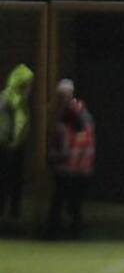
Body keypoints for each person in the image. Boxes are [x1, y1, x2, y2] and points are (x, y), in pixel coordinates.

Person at [46, 80, 95, 240]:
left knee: (62, 201)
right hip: (78, 166)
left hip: (69, 166)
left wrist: (57, 156)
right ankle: (72, 232)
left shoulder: (69, 114)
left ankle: (56, 232)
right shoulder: (81, 113)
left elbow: (70, 140)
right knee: (71, 202)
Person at [0, 63, 34, 221]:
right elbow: (18, 124)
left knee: (6, 179)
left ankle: (6, 210)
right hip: (10, 145)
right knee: (13, 179)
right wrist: (15, 141)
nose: (30, 88)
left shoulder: (6, 96)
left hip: (7, 144)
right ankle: (13, 211)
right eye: (28, 84)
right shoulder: (16, 100)